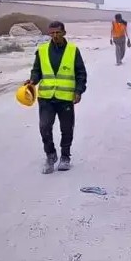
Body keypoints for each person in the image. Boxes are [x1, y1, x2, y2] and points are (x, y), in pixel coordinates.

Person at [25, 21, 87, 174]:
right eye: (52, 33)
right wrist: (32, 80)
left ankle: (65, 156)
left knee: (66, 129)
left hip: (65, 98)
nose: (55, 36)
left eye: (58, 32)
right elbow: (37, 70)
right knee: (44, 127)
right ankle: (50, 154)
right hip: (46, 97)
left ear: (64, 33)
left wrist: (78, 91)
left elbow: (81, 73)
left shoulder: (73, 50)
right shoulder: (43, 50)